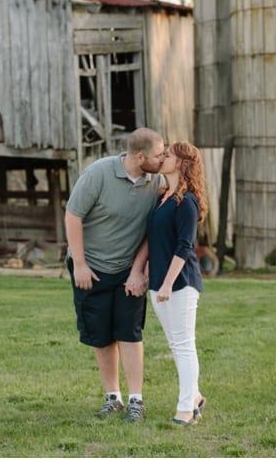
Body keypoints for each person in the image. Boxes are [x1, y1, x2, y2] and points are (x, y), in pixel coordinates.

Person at [65, 127, 166, 423]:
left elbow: (154, 228)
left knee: (129, 332)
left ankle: (136, 401)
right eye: (158, 155)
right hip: (91, 267)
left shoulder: (156, 181)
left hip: (127, 270)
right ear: (139, 157)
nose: (162, 159)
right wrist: (81, 265)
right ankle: (113, 398)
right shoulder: (99, 174)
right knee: (100, 334)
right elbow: (73, 215)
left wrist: (139, 270)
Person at [146, 141, 208, 425]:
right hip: (158, 282)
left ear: (181, 163)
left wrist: (169, 283)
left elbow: (184, 247)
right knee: (175, 344)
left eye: (167, 155)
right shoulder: (161, 197)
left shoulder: (187, 202)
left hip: (180, 283)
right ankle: (194, 395)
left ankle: (186, 408)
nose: (162, 158)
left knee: (183, 345)